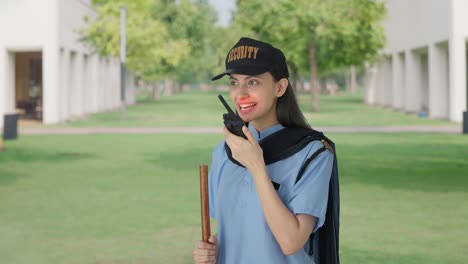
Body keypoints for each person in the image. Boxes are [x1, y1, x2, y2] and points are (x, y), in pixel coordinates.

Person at [193, 37, 335, 264]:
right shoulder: (224, 152)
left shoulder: (314, 154)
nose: (240, 94)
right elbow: (237, 229)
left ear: (280, 87)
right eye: (234, 82)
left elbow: (291, 242)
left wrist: (257, 167)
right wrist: (213, 250)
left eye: (253, 82)